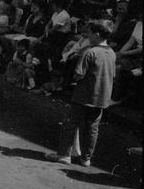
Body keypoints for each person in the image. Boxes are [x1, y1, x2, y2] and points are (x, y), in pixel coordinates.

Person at [46, 20, 116, 167]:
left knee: (70, 123)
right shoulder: (111, 53)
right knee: (92, 128)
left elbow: (78, 74)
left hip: (84, 95)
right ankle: (86, 159)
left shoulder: (90, 52)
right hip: (102, 97)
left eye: (89, 33)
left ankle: (64, 155)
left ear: (96, 35)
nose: (88, 36)